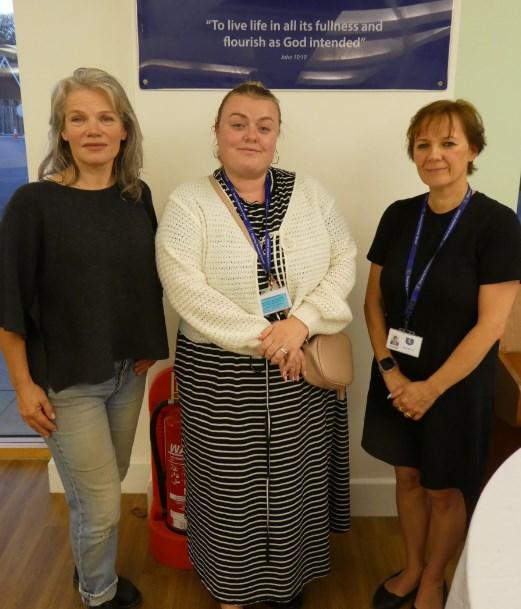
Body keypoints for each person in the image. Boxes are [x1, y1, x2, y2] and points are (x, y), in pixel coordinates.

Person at [156, 81, 356, 609]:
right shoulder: (188, 202)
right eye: (238, 124)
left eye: (264, 126)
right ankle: (233, 589)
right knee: (228, 488)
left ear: (277, 136)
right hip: (220, 374)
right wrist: (272, 340)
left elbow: (343, 261)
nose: (251, 135)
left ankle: (288, 582)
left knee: (294, 478)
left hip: (301, 371)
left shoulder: (311, 194)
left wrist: (301, 324)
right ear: (217, 133)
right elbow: (185, 289)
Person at [0, 67, 168, 608]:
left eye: (105, 117)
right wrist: (23, 386)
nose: (93, 129)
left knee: (99, 487)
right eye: (78, 118)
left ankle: (87, 562)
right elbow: (9, 303)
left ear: (124, 129)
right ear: (63, 131)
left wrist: (145, 341)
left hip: (125, 374)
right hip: (66, 379)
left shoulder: (136, 196)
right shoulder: (33, 204)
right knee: (99, 503)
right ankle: (98, 592)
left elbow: (143, 279)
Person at [362, 99, 521, 609]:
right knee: (407, 476)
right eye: (423, 144)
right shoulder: (399, 215)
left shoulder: (497, 224)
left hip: (455, 385)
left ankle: (434, 579)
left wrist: (429, 389)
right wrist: (391, 373)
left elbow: (490, 326)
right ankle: (412, 568)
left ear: (472, 150)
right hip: (396, 376)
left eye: (449, 143)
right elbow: (372, 302)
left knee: (444, 490)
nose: (434, 154)